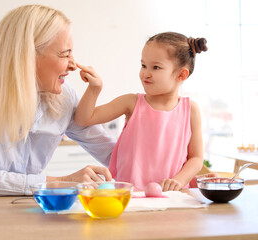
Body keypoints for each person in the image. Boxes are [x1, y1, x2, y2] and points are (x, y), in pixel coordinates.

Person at [0, 5, 116, 196]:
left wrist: (144, 115)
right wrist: (62, 182)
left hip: (19, 210)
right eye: (65, 54)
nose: (73, 65)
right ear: (28, 55)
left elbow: (113, 154)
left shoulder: (64, 97)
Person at [74, 32, 208, 191]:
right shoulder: (131, 102)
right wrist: (94, 89)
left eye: (156, 67)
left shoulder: (191, 110)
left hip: (173, 197)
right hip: (130, 196)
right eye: (143, 65)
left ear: (181, 74)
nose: (146, 73)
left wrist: (178, 181)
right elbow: (83, 119)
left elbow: (196, 158)